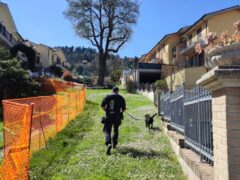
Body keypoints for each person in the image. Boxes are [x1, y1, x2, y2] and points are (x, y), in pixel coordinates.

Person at [101, 86, 126, 155]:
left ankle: (108, 143)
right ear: (118, 91)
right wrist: (120, 112)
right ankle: (114, 144)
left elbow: (102, 106)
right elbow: (124, 109)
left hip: (109, 116)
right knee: (116, 130)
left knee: (107, 131)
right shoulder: (121, 97)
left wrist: (107, 111)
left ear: (112, 91)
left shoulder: (107, 96)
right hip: (117, 116)